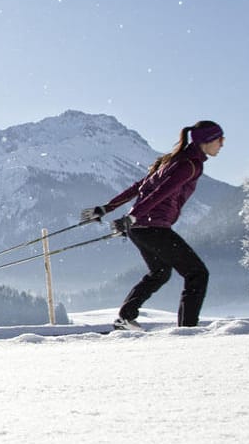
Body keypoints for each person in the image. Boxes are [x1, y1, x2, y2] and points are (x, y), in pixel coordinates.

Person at [81, 120, 225, 330]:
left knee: (160, 272)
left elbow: (140, 186)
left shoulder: (173, 161)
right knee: (197, 273)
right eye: (220, 139)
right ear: (207, 140)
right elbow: (161, 192)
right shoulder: (189, 165)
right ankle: (187, 330)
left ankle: (126, 317)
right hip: (152, 227)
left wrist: (107, 208)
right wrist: (132, 217)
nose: (222, 144)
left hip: (140, 228)